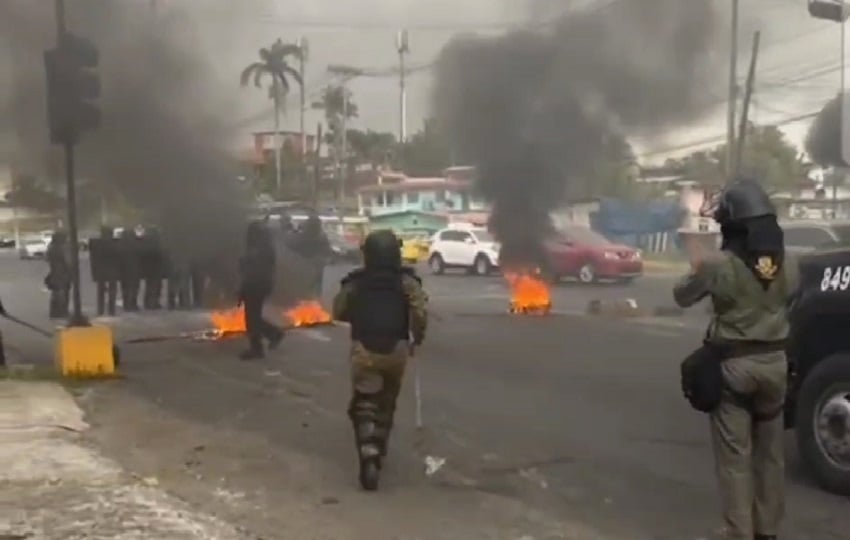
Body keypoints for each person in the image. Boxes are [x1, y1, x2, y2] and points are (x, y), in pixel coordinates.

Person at [673, 178, 797, 540]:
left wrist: (699, 264)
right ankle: (768, 531)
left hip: (735, 367)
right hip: (776, 365)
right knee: (771, 457)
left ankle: (739, 533)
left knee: (735, 458)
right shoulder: (791, 263)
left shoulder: (719, 264)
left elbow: (682, 296)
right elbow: (788, 294)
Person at [331, 229, 428, 491]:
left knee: (364, 402)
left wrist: (358, 314)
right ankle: (379, 446)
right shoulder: (407, 282)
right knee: (387, 401)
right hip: (396, 349)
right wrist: (417, 338)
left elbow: (338, 311)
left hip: (364, 349)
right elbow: (419, 313)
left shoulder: (355, 282)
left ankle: (368, 451)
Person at [237, 220, 284, 360]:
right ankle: (272, 334)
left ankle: (258, 348)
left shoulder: (259, 249)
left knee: (252, 318)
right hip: (260, 284)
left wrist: (243, 287)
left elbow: (251, 269)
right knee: (254, 317)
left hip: (256, 285)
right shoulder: (265, 247)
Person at [293, 213, 331, 298]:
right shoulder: (322, 236)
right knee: (316, 283)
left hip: (305, 262)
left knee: (304, 283)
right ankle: (315, 297)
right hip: (317, 263)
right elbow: (327, 250)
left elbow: (296, 247)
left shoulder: (303, 236)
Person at [89, 226, 119, 316]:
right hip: (111, 270)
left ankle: (100, 310)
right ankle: (111, 310)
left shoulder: (97, 244)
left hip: (100, 271)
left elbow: (93, 258)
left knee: (101, 292)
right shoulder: (114, 244)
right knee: (112, 292)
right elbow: (118, 257)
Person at [45, 230, 71, 319]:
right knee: (62, 293)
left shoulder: (50, 247)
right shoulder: (61, 248)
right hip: (62, 273)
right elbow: (67, 261)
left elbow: (47, 258)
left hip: (54, 273)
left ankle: (54, 312)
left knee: (56, 293)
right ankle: (62, 312)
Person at [140, 227, 165, 310]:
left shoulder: (144, 242)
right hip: (156, 267)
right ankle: (153, 303)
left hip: (147, 267)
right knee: (155, 286)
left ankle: (148, 302)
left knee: (150, 286)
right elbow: (160, 253)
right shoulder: (157, 243)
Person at [118, 228, 141, 312]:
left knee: (125, 287)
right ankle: (132, 303)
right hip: (133, 269)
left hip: (124, 270)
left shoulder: (121, 245)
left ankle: (127, 303)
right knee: (134, 286)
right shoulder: (136, 245)